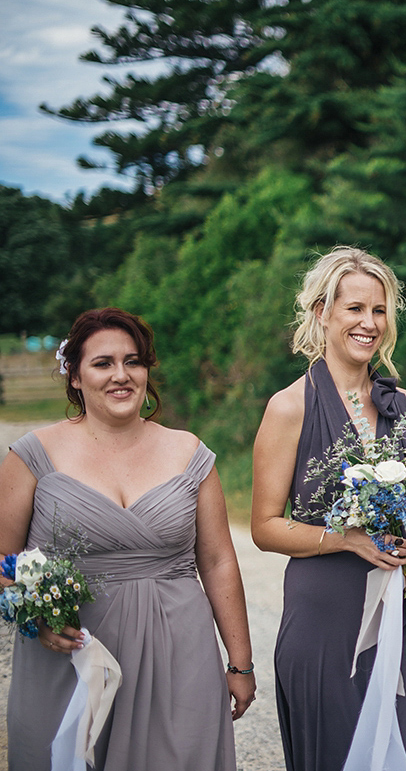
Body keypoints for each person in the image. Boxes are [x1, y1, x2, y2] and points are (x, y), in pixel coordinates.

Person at [0, 307, 254, 770]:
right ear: (75, 376)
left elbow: (218, 562)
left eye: (133, 361)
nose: (121, 375)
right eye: (103, 363)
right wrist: (37, 618)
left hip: (179, 653)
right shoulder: (33, 455)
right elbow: (2, 556)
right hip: (70, 657)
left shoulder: (189, 451)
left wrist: (241, 664)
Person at [251, 247, 406, 771]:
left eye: (380, 310)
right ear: (322, 313)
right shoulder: (289, 406)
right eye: (355, 309)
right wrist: (345, 539)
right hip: (328, 615)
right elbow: (265, 527)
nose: (369, 323)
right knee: (341, 751)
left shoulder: (404, 405)